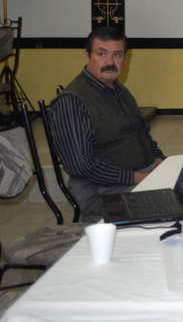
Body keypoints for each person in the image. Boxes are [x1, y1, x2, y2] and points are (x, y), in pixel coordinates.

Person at [48, 26, 164, 221]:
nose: (110, 62)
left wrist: (159, 160)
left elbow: (141, 133)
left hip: (139, 175)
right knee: (175, 207)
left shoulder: (119, 91)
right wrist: (139, 178)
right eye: (101, 54)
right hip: (101, 192)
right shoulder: (72, 101)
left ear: (125, 58)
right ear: (87, 56)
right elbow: (81, 165)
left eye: (117, 55)